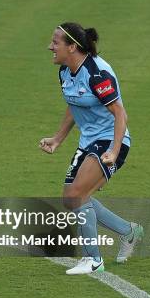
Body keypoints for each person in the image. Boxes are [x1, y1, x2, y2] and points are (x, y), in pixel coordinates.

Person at [40, 22, 144, 275]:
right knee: (71, 198)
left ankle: (93, 259)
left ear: (72, 47)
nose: (50, 47)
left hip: (111, 140)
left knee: (77, 195)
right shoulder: (66, 71)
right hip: (89, 141)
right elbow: (74, 103)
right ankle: (129, 232)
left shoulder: (97, 74)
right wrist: (58, 138)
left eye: (55, 42)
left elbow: (120, 114)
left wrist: (114, 151)